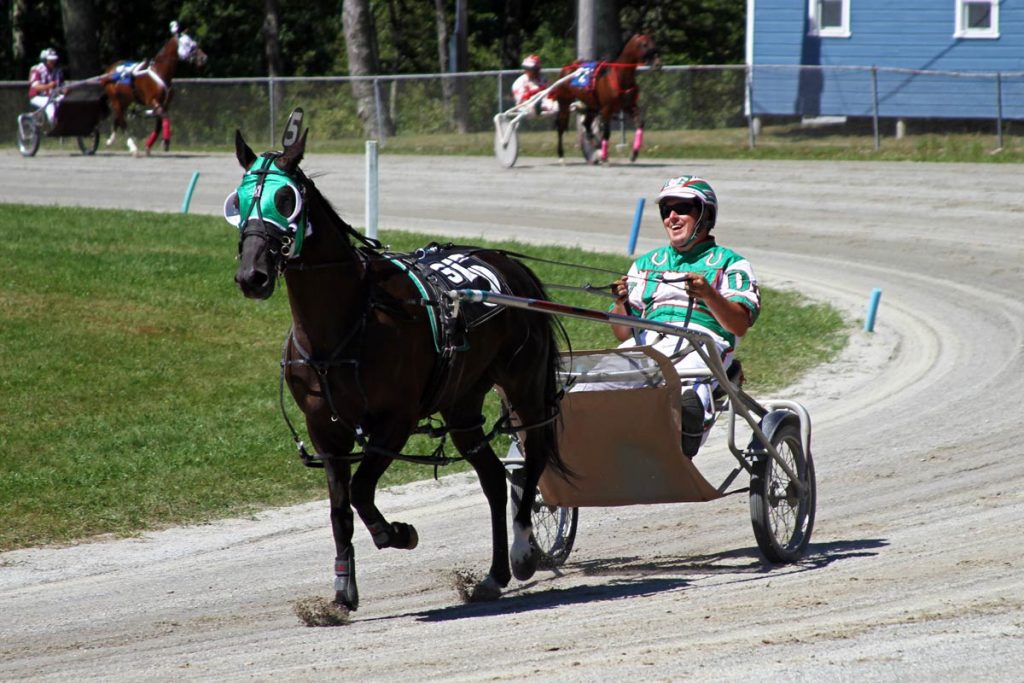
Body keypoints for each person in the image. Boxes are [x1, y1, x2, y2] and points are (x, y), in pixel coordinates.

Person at [609, 175, 760, 457]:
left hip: (703, 345)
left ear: (705, 215)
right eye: (667, 211)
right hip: (648, 344)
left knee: (691, 388)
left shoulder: (731, 262)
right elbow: (622, 333)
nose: (673, 217)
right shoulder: (644, 264)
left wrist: (709, 294)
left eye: (683, 209)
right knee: (589, 382)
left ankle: (686, 429)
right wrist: (621, 303)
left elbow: (739, 325)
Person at [28, 48, 65, 125]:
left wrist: (64, 90)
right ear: (45, 60)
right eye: (50, 60)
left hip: (52, 96)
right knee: (49, 102)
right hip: (37, 96)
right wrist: (48, 86)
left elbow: (61, 86)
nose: (53, 62)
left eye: (54, 60)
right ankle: (53, 122)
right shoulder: (38, 69)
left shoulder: (57, 71)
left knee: (64, 100)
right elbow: (35, 86)